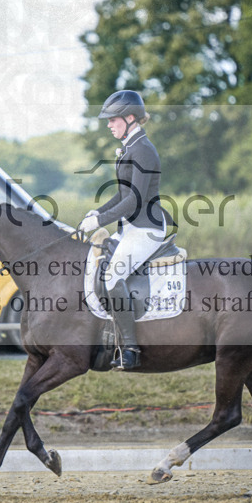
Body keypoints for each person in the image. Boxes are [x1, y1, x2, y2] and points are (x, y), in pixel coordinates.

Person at [78, 90, 172, 370]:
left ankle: (130, 348)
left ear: (130, 118)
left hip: (146, 228)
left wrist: (101, 221)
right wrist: (98, 212)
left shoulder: (143, 150)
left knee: (112, 275)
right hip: (131, 226)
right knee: (98, 266)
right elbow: (122, 195)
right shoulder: (131, 147)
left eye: (113, 120)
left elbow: (135, 200)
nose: (109, 125)